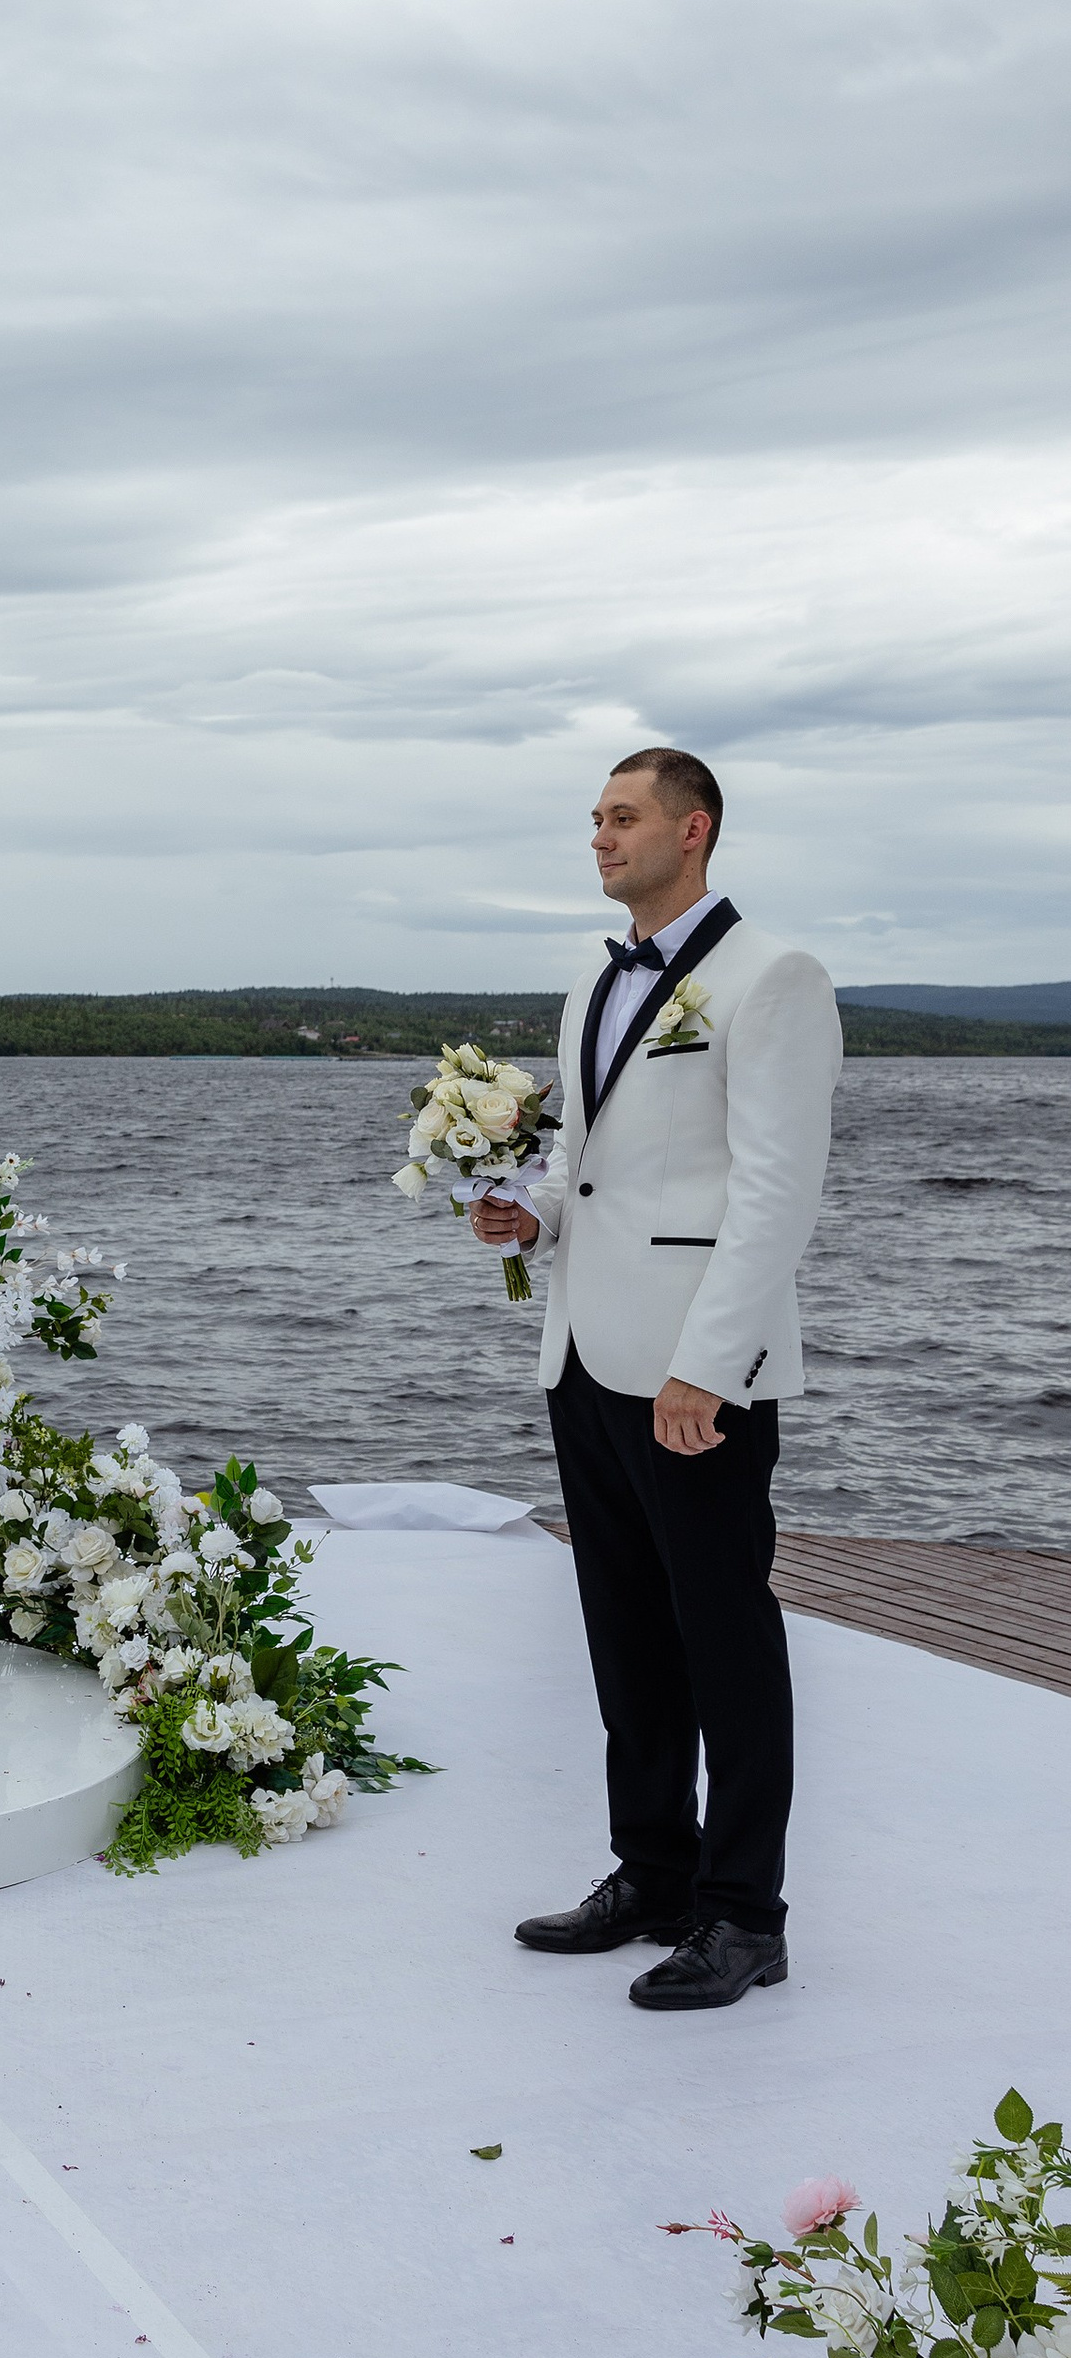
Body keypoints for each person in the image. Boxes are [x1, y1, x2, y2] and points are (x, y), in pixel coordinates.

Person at [471, 752, 839, 2012]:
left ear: (695, 830)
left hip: (693, 1371)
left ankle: (745, 1917)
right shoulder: (593, 969)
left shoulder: (772, 976)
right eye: (592, 819)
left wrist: (707, 1368)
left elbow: (775, 1192)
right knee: (623, 1632)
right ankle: (653, 1874)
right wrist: (529, 1219)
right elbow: (590, 1156)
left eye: (621, 818)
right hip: (581, 1349)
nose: (600, 837)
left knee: (724, 1640)